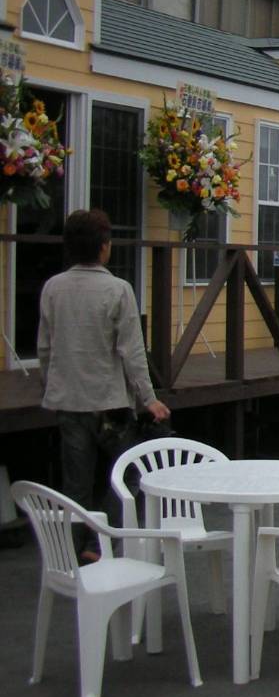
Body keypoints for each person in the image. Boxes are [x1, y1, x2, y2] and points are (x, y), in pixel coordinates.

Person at [38, 209, 171, 558]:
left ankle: (73, 551)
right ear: (103, 247)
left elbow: (45, 348)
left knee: (76, 484)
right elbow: (132, 352)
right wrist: (148, 398)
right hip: (111, 405)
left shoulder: (53, 288)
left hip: (68, 401)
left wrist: (50, 384)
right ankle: (102, 542)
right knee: (129, 474)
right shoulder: (118, 290)